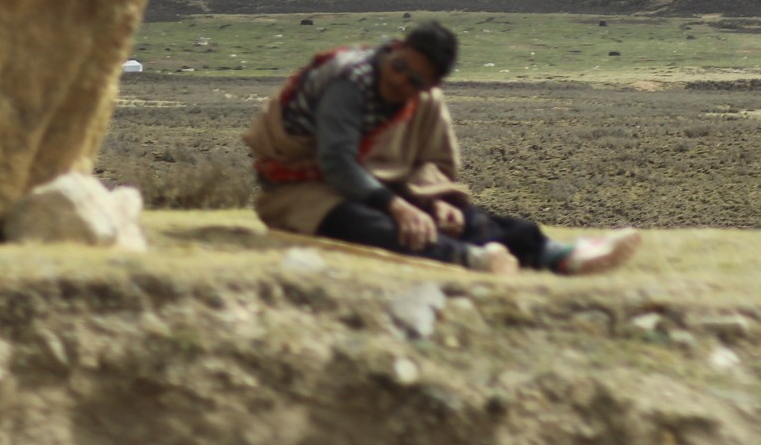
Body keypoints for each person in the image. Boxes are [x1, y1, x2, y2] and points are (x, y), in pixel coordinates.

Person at [244, 21, 640, 275]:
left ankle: (558, 255)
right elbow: (336, 162)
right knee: (360, 222)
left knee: (464, 217)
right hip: (302, 185)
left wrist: (437, 199)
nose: (400, 81)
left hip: (378, 180)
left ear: (430, 86)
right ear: (395, 49)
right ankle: (468, 259)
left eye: (415, 80)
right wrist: (399, 205)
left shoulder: (424, 102)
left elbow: (431, 162)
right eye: (400, 67)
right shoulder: (350, 82)